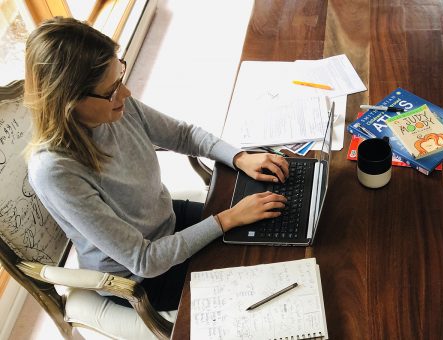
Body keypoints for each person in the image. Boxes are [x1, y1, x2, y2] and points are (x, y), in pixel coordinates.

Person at [24, 17, 289, 311]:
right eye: (111, 90)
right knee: (261, 281)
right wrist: (228, 218)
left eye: (120, 78)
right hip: (139, 276)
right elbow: (144, 259)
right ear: (68, 101)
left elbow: (183, 134)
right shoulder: (55, 170)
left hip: (167, 220)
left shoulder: (116, 107)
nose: (125, 94)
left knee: (275, 232)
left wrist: (239, 157)